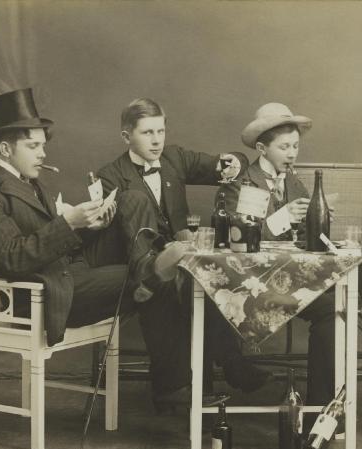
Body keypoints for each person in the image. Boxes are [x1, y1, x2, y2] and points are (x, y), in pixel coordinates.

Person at [0, 89, 221, 410]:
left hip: (70, 269)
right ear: (4, 148)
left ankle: (149, 272)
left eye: (43, 145)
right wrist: (68, 223)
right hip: (45, 292)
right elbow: (11, 259)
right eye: (33, 146)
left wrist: (91, 225)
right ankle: (173, 383)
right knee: (163, 280)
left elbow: (52, 240)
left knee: (132, 199)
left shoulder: (28, 181)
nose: (43, 154)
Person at [219, 102, 362, 424]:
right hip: (253, 284)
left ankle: (321, 411)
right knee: (337, 297)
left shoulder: (292, 181)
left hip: (292, 281)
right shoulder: (241, 182)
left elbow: (302, 236)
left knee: (336, 305)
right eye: (284, 147)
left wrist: (319, 219)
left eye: (296, 146)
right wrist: (284, 217)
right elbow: (239, 236)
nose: (292, 154)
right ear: (262, 148)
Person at [96, 98, 271, 401]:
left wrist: (234, 163)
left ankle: (216, 373)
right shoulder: (110, 176)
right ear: (127, 136)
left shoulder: (174, 158)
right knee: (173, 285)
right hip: (141, 265)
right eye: (147, 133)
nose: (156, 140)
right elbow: (107, 236)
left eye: (160, 131)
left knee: (209, 278)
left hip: (182, 258)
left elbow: (230, 162)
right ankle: (210, 373)